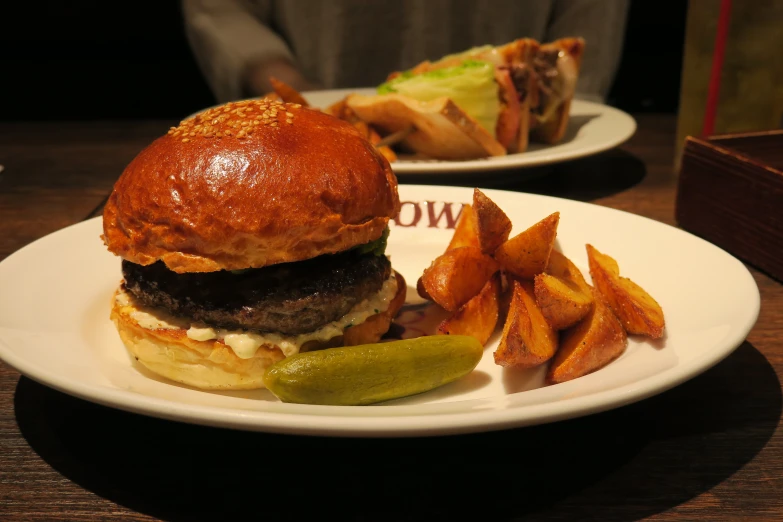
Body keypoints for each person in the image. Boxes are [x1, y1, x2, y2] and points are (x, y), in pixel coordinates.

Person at [182, 0, 629, 104]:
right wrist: (298, 92)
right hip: (311, 115)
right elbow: (221, 10)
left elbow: (588, 19)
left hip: (539, 158)